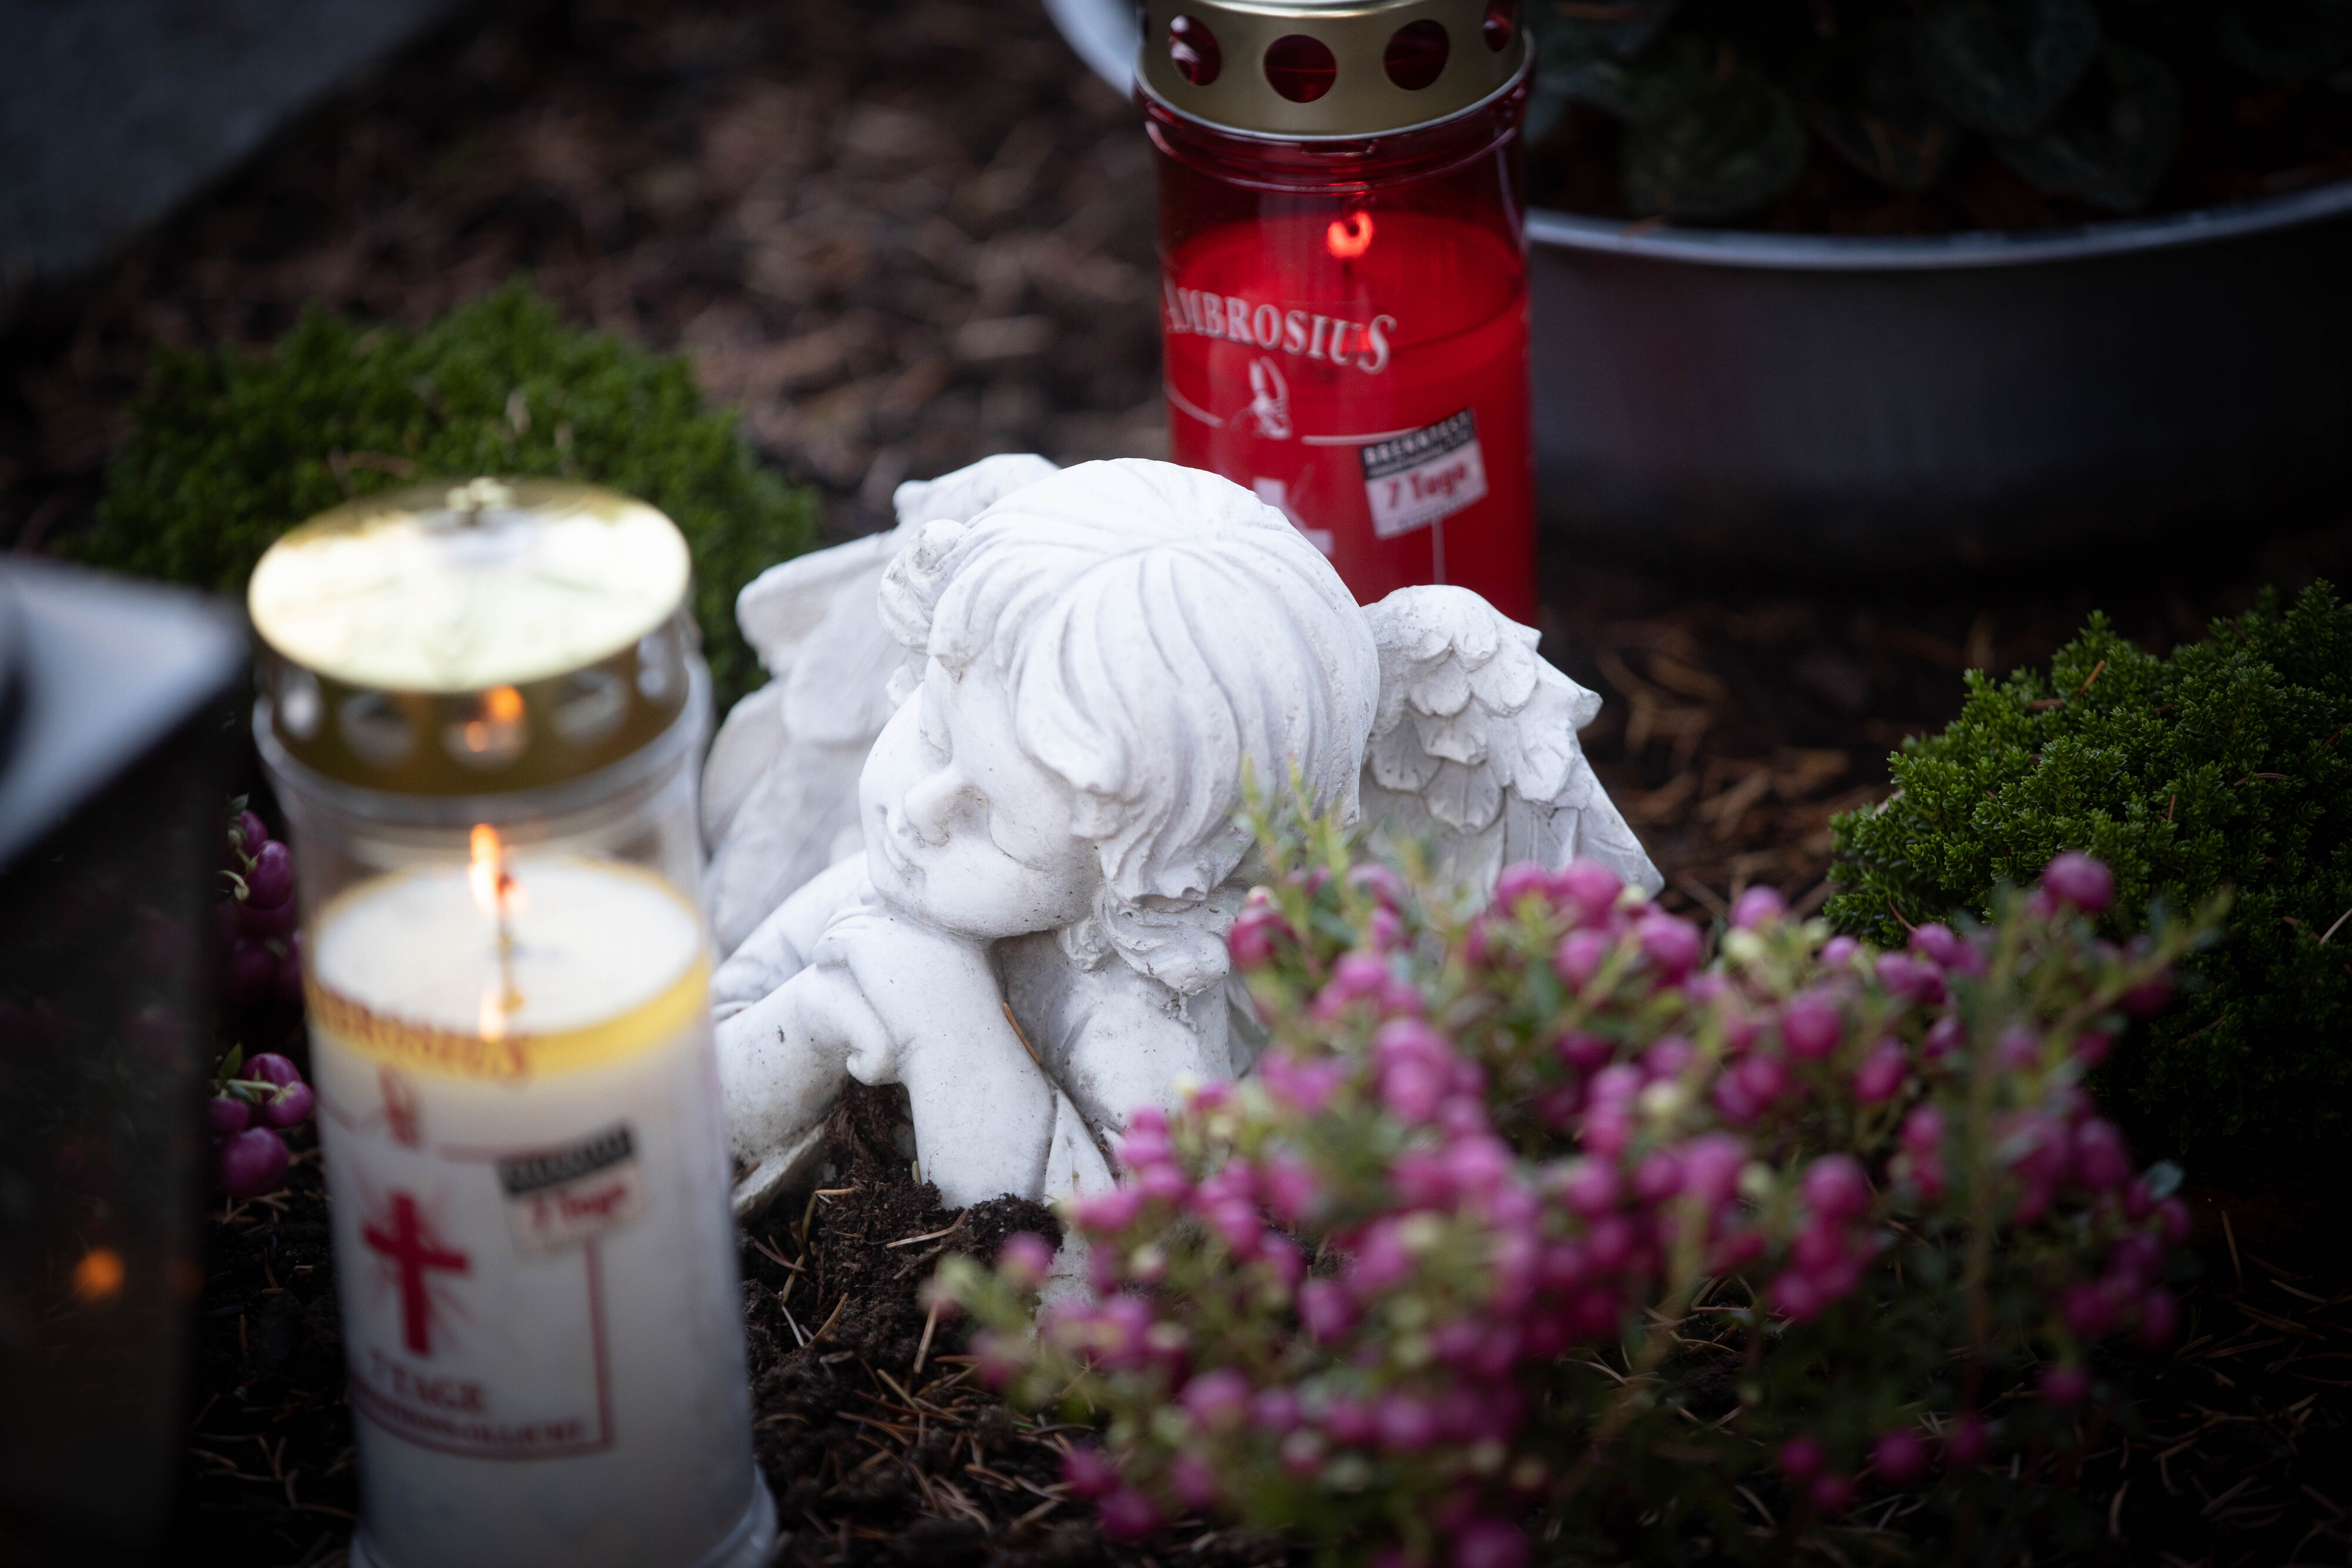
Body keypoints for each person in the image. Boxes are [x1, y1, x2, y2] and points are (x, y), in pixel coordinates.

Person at [714, 459, 1378, 1209]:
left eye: (994, 819)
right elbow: (693, 1091)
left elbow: (1074, 1290)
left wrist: (947, 1028)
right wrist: (806, 1025)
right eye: (932, 732)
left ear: (1142, 881)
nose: (922, 808)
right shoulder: (906, 882)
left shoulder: (1138, 1038)